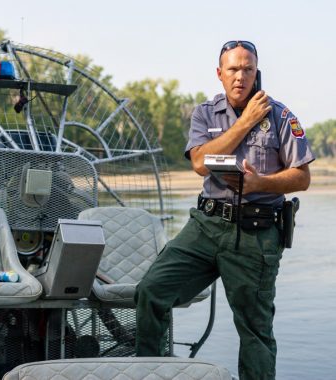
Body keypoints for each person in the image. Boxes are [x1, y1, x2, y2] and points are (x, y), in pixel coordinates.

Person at [134, 40, 315, 380]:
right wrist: (245, 122)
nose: (240, 76)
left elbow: (303, 177)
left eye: (248, 69)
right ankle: (150, 372)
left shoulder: (280, 115)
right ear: (219, 73)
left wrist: (260, 183)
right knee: (151, 292)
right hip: (205, 227)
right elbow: (201, 163)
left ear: (256, 73)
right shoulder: (205, 113)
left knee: (255, 331)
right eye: (233, 69)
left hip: (256, 234)